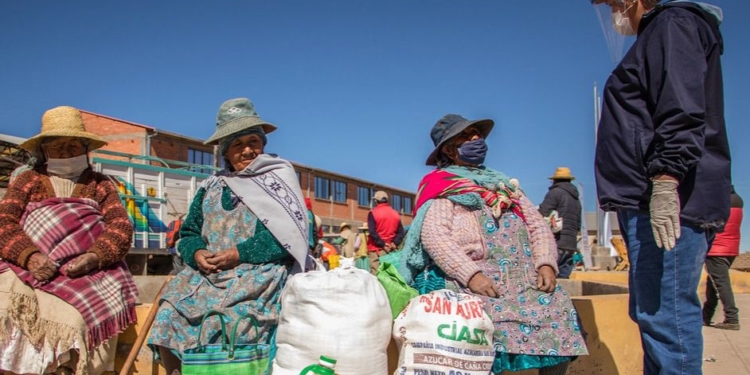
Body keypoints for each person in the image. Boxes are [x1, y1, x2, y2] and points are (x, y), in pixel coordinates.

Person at [591, 1, 730, 373]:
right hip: (645, 197)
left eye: (614, 4)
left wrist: (667, 177)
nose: (613, 13)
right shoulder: (662, 30)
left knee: (667, 317)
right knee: (653, 316)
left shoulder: (673, 23)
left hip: (665, 199)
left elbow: (681, 106)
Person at [400, 114, 587, 375]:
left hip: (522, 279)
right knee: (480, 324)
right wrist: (472, 275)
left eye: (476, 133)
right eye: (466, 135)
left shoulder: (505, 186)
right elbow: (436, 236)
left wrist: (546, 264)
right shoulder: (442, 187)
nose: (476, 138)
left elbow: (538, 226)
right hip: (468, 280)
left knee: (560, 311)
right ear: (449, 149)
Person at [148, 98, 310, 374]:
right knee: (167, 315)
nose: (247, 150)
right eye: (237, 144)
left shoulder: (279, 179)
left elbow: (289, 237)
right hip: (209, 274)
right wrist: (197, 253)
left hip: (257, 274)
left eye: (253, 142)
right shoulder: (211, 186)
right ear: (225, 151)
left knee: (226, 321)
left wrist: (238, 254)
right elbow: (187, 233)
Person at [0, 106, 138, 375]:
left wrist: (94, 257)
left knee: (74, 319)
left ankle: (65, 367)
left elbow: (120, 228)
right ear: (44, 151)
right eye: (58, 147)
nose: (66, 153)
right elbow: (4, 224)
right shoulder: (28, 180)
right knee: (8, 306)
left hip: (87, 272)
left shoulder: (100, 183)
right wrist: (30, 257)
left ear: (85, 149)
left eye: (72, 146)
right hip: (27, 267)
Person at [703, 186, 742, 330]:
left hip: (716, 249)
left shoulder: (718, 202)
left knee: (720, 284)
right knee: (713, 284)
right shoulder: (737, 201)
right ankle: (705, 317)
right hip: (731, 248)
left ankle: (732, 318)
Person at [539, 167, 582, 279]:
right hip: (571, 243)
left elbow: (543, 212)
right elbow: (578, 224)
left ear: (555, 180)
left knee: (550, 278)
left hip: (557, 241)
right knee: (564, 279)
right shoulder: (576, 199)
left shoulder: (555, 193)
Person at [367, 190, 406, 274]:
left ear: (376, 201)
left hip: (377, 250)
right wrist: (394, 243)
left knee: (376, 277)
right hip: (391, 251)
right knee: (390, 275)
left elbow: (372, 232)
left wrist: (383, 244)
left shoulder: (373, 213)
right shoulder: (395, 214)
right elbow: (401, 233)